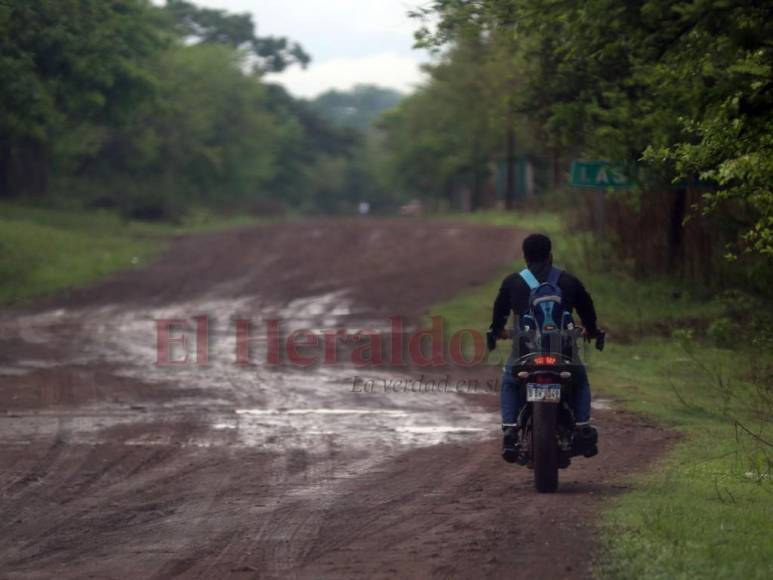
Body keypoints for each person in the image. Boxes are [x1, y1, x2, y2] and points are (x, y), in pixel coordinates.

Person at [489, 233, 600, 461]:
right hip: (564, 353)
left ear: (525, 256)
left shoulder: (513, 282)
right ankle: (582, 426)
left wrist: (497, 331)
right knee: (579, 380)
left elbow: (499, 313)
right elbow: (587, 310)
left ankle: (510, 429)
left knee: (510, 381)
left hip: (525, 352)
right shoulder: (569, 281)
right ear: (551, 255)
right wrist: (592, 330)